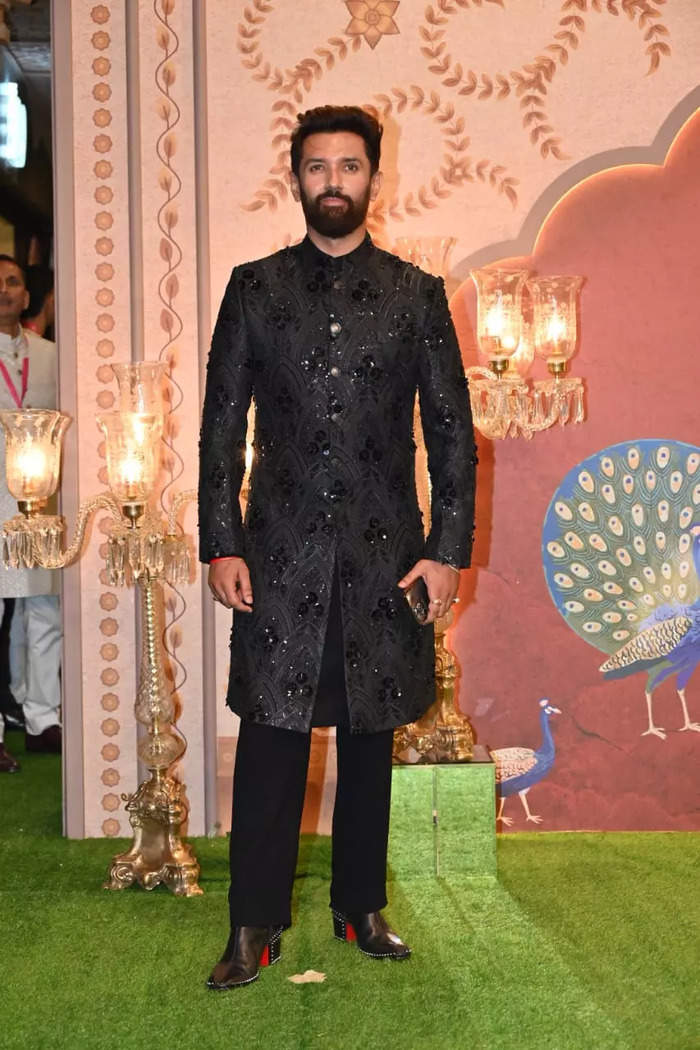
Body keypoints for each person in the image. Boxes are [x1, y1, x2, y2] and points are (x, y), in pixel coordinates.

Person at [198, 106, 476, 989]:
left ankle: (360, 907)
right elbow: (219, 431)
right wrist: (221, 541)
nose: (333, 182)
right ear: (295, 180)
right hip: (276, 555)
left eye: (348, 167)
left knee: (369, 737)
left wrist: (446, 548)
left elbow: (452, 433)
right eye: (317, 167)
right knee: (272, 740)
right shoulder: (253, 289)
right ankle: (253, 925)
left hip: (385, 554)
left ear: (373, 180)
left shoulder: (415, 294)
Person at [0, 255, 62, 773]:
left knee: (44, 611)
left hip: (40, 502)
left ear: (26, 294)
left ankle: (43, 720)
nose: (4, 290)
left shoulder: (51, 356)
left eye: (12, 281)